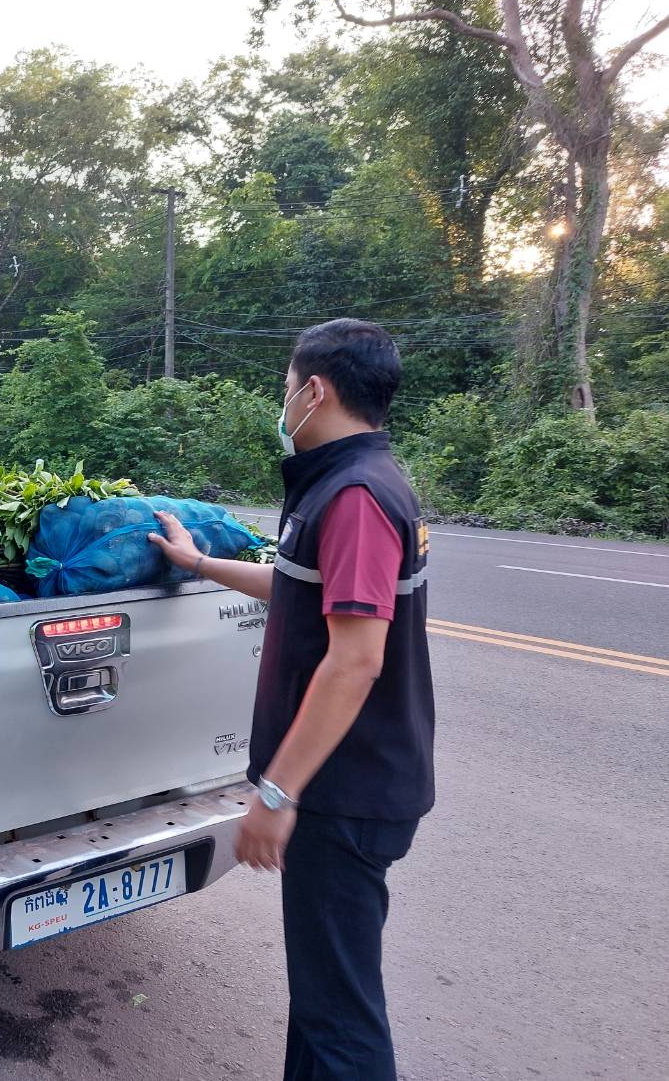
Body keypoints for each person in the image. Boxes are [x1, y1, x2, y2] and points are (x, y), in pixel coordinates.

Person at [150, 318, 434, 1080]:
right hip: (341, 787)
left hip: (344, 793)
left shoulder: (356, 497)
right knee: (319, 1006)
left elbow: (355, 660)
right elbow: (300, 588)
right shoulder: (344, 483)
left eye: (285, 386)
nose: (281, 402)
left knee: (340, 1018)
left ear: (314, 390)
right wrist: (198, 563)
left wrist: (278, 790)